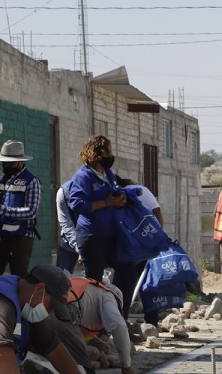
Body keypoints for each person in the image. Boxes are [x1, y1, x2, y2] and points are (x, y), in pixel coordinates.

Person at [67, 136, 137, 321]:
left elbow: (114, 194)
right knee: (95, 282)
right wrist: (107, 202)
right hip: (92, 236)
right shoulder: (83, 176)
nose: (111, 155)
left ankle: (120, 319)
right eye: (107, 152)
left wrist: (120, 199)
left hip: (112, 235)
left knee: (128, 273)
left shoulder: (108, 174)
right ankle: (93, 325)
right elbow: (77, 204)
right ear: (96, 153)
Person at [24, 277, 136, 374]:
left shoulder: (86, 288)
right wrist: (126, 365)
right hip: (63, 312)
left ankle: (27, 361)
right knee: (87, 372)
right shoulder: (108, 295)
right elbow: (119, 326)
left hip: (36, 311)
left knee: (48, 351)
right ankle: (52, 371)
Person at [0, 140, 41, 279]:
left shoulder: (31, 182)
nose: (6, 165)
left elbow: (31, 211)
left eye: (10, 162)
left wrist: (2, 209)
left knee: (20, 281)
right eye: (4, 162)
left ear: (20, 161)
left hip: (19, 240)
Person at [115, 175, 163, 324]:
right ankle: (152, 321)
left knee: (121, 283)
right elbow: (157, 213)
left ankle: (120, 319)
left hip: (126, 246)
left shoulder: (115, 194)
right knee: (148, 282)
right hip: (146, 243)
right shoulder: (143, 190)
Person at [55, 180, 79, 273]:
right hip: (68, 244)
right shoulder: (64, 191)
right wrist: (79, 248)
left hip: (92, 244)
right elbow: (66, 224)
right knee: (60, 279)